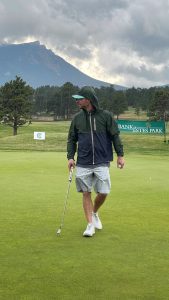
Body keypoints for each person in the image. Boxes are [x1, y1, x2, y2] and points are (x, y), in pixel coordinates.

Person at [67, 86, 124, 237]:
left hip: (102, 160)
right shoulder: (77, 119)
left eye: (80, 99)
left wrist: (120, 155)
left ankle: (94, 212)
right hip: (83, 162)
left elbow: (115, 136)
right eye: (76, 99)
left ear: (88, 99)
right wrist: (71, 157)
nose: (77, 101)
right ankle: (90, 225)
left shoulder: (105, 116)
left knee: (104, 191)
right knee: (86, 193)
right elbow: (72, 139)